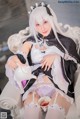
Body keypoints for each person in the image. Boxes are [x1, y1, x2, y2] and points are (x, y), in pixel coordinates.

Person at [5, 2, 80, 119]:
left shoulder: (66, 42)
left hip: (58, 87)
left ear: (52, 19)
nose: (42, 28)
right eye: (37, 24)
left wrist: (57, 57)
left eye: (45, 22)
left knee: (54, 114)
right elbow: (21, 56)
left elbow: (74, 65)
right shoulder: (30, 42)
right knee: (31, 114)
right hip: (34, 86)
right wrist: (13, 59)